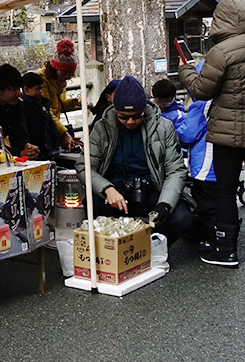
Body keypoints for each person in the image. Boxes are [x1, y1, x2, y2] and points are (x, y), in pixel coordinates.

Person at [178, 0, 245, 266]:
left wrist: (186, 72)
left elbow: (202, 90)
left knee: (225, 190)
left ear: (222, 19)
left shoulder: (222, 51)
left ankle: (225, 251)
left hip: (228, 132)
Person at [78, 75, 196, 246]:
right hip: (116, 189)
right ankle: (116, 244)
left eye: (136, 116)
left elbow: (176, 170)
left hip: (153, 187)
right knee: (91, 204)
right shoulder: (102, 127)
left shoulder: (164, 127)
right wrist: (106, 189)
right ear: (115, 110)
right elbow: (84, 166)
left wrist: (164, 204)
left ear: (144, 110)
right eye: (123, 117)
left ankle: (149, 246)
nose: (131, 121)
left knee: (183, 218)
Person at [167, 63, 216, 253]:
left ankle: (210, 239)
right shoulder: (221, 101)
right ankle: (223, 235)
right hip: (221, 163)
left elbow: (188, 134)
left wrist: (172, 129)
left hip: (205, 166)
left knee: (206, 205)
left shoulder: (201, 105)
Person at [40, 39, 83, 149]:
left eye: (71, 73)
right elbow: (47, 110)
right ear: (55, 69)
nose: (68, 76)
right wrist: (63, 132)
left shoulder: (60, 81)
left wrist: (73, 103)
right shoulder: (42, 81)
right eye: (64, 73)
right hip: (42, 129)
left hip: (53, 128)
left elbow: (58, 106)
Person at [21, 71, 59, 157]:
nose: (41, 91)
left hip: (47, 148)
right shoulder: (23, 107)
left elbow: (50, 125)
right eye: (38, 89)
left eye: (41, 88)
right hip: (36, 149)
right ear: (26, 90)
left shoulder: (43, 104)